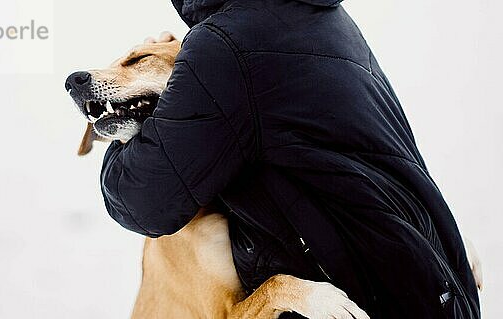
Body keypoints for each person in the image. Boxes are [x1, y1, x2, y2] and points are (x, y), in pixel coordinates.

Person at [100, 0, 480, 317]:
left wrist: (115, 121)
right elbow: (383, 159)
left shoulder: (221, 47)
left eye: (137, 61)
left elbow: (144, 198)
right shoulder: (331, 21)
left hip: (368, 296)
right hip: (439, 284)